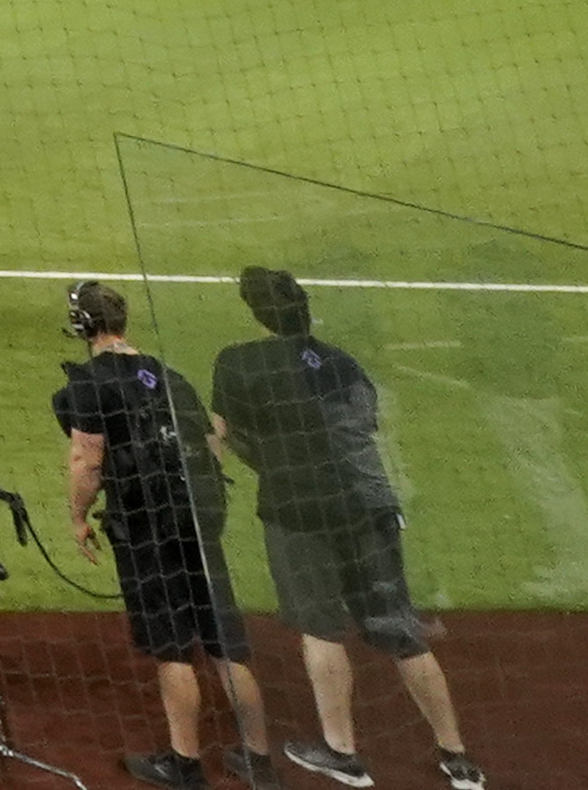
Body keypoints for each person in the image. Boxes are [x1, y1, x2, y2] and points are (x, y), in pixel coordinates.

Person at [209, 269, 486, 790]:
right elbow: (360, 428)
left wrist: (262, 461)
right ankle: (458, 757)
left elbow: (220, 436)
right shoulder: (342, 362)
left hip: (299, 512)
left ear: (255, 312)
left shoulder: (237, 361)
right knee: (402, 630)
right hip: (370, 507)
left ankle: (343, 755)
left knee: (320, 629)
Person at [54, 279, 273, 790]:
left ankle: (185, 764)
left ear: (82, 327)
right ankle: (259, 761)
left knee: (172, 646)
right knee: (223, 644)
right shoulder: (171, 375)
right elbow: (213, 441)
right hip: (197, 519)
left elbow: (88, 460)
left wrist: (78, 518)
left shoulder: (89, 382)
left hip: (147, 527)